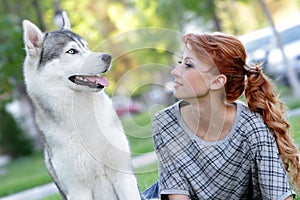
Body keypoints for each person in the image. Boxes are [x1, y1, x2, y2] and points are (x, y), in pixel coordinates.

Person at [142, 32, 300, 200]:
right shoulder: (165, 123)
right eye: (181, 62)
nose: (175, 71)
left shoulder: (252, 127)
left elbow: (280, 197)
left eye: (188, 65)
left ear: (217, 81)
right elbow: (177, 196)